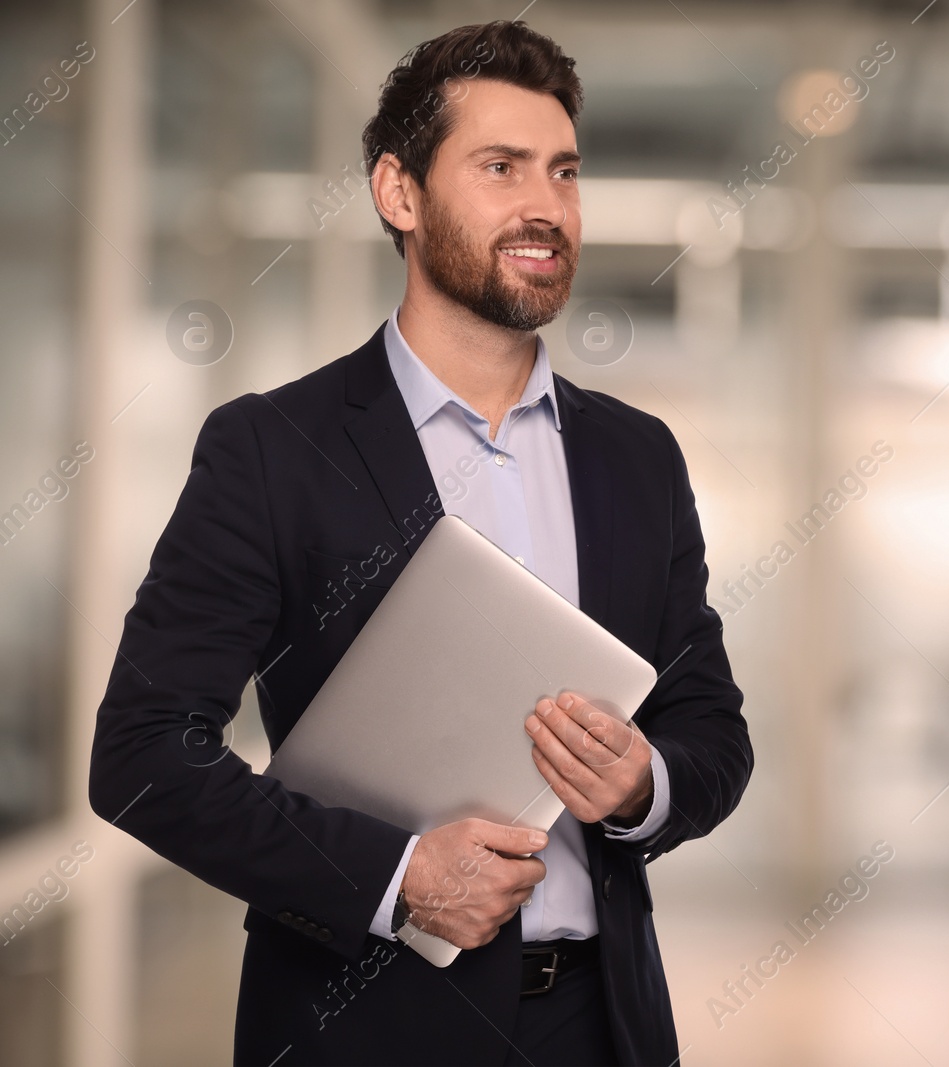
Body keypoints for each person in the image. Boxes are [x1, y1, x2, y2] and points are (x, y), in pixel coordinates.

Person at [87, 20, 752, 1066]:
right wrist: (400, 877)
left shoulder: (637, 457)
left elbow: (712, 730)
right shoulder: (274, 449)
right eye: (500, 168)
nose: (545, 206)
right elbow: (143, 757)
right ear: (399, 194)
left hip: (601, 1023)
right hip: (362, 1022)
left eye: (564, 172)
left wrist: (642, 785)